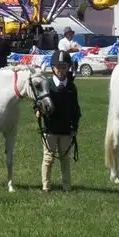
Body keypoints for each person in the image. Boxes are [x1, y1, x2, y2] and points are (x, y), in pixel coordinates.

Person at [37, 57, 81, 193]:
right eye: (58, 67)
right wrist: (38, 111)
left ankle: (67, 186)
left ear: (67, 68)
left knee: (65, 158)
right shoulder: (48, 85)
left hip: (66, 128)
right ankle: (46, 186)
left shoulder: (71, 87)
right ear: (53, 69)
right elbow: (39, 102)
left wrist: (75, 126)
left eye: (63, 67)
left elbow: (75, 109)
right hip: (50, 128)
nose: (61, 70)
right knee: (48, 158)